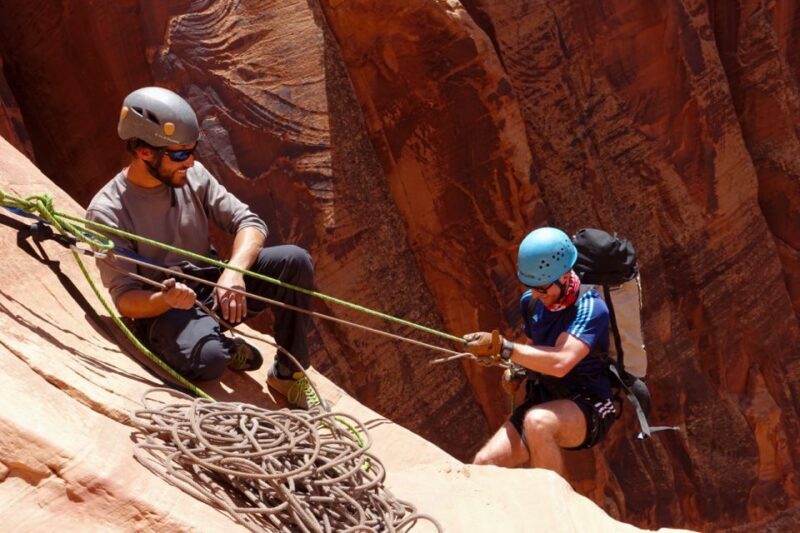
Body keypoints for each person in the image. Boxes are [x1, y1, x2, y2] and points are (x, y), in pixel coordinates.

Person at [86, 86, 319, 409]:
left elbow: (249, 223)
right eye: (180, 154)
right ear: (145, 152)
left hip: (212, 286)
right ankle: (217, 345)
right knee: (209, 360)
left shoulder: (193, 175)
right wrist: (165, 299)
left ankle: (287, 374)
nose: (191, 160)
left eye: (192, 150)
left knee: (294, 261)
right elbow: (125, 300)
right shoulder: (107, 211)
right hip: (165, 310)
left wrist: (233, 273)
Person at [463, 227, 616, 475]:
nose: (535, 293)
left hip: (589, 403)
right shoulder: (532, 302)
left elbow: (561, 362)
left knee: (538, 423)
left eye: (542, 288)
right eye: (530, 285)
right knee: (484, 463)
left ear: (565, 276)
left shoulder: (590, 308)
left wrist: (506, 348)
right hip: (546, 397)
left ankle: (551, 499)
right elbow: (533, 347)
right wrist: (518, 369)